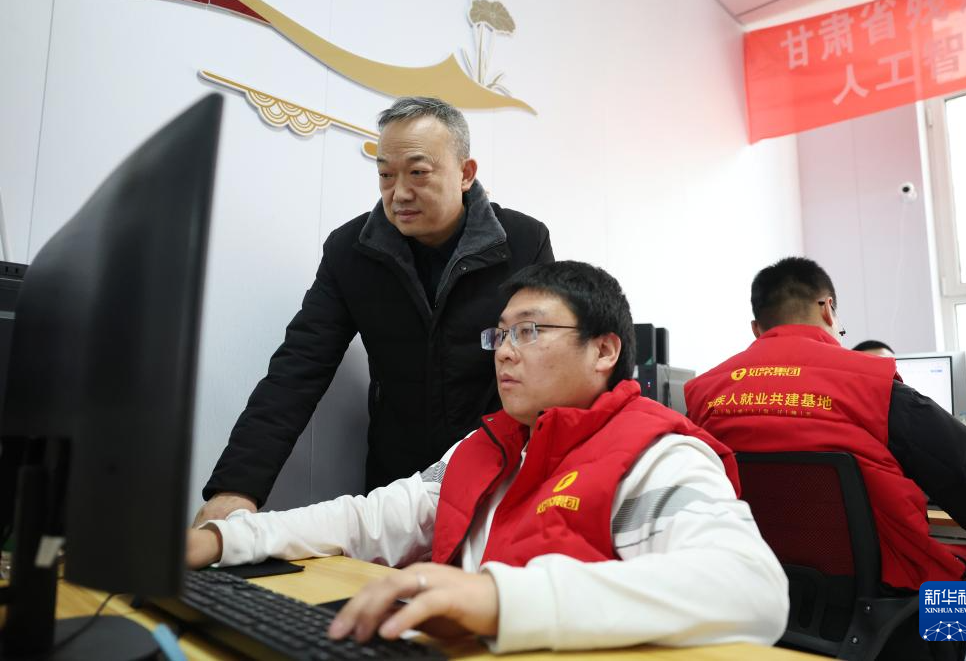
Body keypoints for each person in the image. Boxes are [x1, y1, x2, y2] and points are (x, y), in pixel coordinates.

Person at [187, 261, 789, 653]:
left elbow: (751, 587)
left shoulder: (658, 454)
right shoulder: (487, 445)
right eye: (499, 334)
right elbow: (368, 519)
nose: (503, 352)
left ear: (604, 350)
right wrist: (223, 539)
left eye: (529, 331)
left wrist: (499, 599)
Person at [195, 97, 554, 525]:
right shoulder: (351, 252)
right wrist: (235, 488)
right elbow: (298, 368)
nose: (398, 193)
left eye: (418, 173)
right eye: (386, 175)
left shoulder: (522, 242)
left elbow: (549, 367)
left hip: (501, 473)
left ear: (465, 173)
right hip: (396, 485)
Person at [684, 257, 966, 661]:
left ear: (757, 328)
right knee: (953, 577)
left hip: (763, 598)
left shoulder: (702, 395)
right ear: (828, 309)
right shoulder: (873, 381)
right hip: (883, 609)